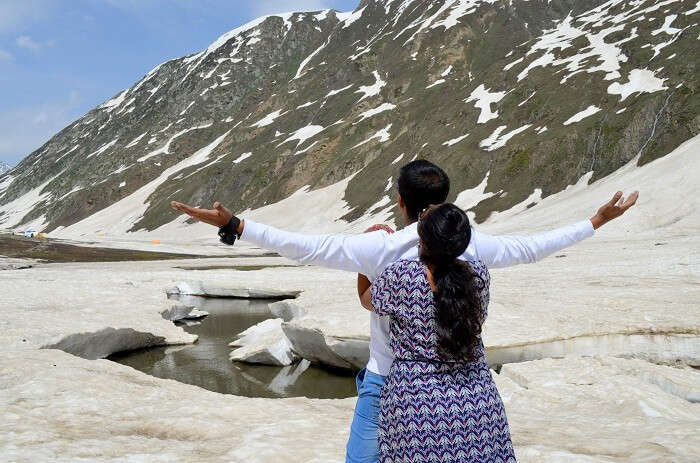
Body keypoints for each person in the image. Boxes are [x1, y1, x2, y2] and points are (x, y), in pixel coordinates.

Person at [170, 160, 638, 463]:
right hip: (467, 390)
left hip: (392, 387)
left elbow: (306, 248)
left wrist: (235, 223)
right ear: (448, 201)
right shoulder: (469, 246)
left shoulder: (384, 248)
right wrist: (594, 221)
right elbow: (532, 247)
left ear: (401, 201)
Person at [359, 203, 514, 462]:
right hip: (476, 400)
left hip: (415, 404)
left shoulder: (402, 276)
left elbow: (367, 299)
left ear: (421, 238)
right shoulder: (479, 275)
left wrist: (367, 257)